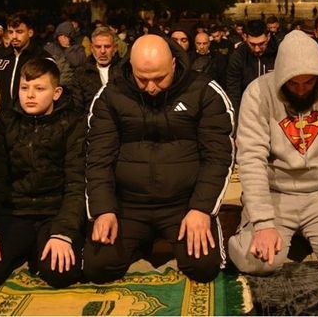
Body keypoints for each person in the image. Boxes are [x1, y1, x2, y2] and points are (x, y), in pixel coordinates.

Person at [83, 35, 234, 283]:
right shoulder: (110, 95)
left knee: (204, 268)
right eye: (142, 79)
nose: (151, 87)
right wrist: (104, 210)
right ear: (131, 68)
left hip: (183, 204)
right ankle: (139, 242)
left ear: (173, 64)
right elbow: (98, 158)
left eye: (159, 78)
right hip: (128, 204)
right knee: (97, 268)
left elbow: (218, 157)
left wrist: (201, 208)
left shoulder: (204, 91)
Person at [229, 31, 318, 274]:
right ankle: (245, 229)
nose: (301, 91)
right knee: (259, 262)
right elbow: (251, 160)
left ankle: (316, 235)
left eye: (309, 82)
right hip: (275, 192)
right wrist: (263, 223)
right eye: (293, 83)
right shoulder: (257, 92)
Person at [0, 59, 86, 289]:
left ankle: (40, 248)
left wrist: (63, 232)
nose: (30, 95)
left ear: (56, 93)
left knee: (61, 272)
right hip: (14, 212)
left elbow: (76, 183)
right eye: (24, 88)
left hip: (53, 212)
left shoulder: (72, 122)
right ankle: (22, 248)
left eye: (39, 88)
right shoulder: (5, 122)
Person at [0, 14, 55, 137]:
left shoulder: (43, 58)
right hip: (3, 124)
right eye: (11, 32)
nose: (14, 36)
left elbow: (50, 95)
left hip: (33, 126)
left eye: (19, 32)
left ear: (30, 32)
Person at [225, 20, 277, 112]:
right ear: (245, 37)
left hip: (275, 107)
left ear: (268, 36)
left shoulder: (279, 52)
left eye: (261, 44)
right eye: (252, 44)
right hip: (247, 108)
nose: (257, 49)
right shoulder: (238, 56)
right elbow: (233, 91)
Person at [72, 26, 122, 112]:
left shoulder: (125, 70)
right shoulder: (81, 73)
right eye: (98, 47)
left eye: (107, 46)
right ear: (91, 48)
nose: (102, 51)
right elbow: (77, 109)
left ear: (115, 48)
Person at [44, 21, 86, 87]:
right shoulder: (50, 48)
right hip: (51, 82)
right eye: (61, 35)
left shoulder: (77, 48)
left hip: (70, 85)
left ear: (70, 37)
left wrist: (68, 48)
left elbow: (76, 63)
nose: (63, 38)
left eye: (66, 36)